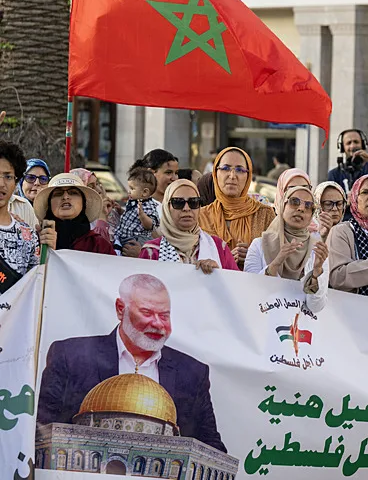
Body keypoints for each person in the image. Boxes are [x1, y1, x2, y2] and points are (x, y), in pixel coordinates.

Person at [37, 273, 227, 452]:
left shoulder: (192, 373)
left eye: (164, 316)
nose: (158, 324)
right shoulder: (71, 356)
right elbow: (42, 430)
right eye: (147, 312)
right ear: (121, 309)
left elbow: (210, 445)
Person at [244, 186, 329, 313]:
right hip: (262, 323)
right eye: (294, 202)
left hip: (298, 327)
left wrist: (316, 274)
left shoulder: (316, 251)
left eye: (308, 205)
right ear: (283, 206)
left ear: (312, 214)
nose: (300, 208)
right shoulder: (259, 245)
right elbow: (250, 292)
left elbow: (316, 307)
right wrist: (276, 262)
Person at [199, 147, 276, 269]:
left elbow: (276, 259)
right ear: (215, 173)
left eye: (240, 170)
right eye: (225, 168)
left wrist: (254, 256)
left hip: (254, 285)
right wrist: (225, 259)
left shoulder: (265, 214)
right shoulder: (200, 216)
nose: (232, 175)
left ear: (248, 175)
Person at [139, 179, 238, 272]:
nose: (186, 208)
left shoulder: (219, 247)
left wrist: (219, 273)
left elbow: (235, 286)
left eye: (193, 202)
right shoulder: (151, 251)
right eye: (178, 203)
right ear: (167, 208)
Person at [35, 173, 116, 256]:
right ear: (49, 204)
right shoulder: (35, 240)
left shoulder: (99, 245)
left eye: (73, 193)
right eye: (58, 194)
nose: (65, 197)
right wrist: (44, 251)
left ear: (83, 203)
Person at [121, 149, 179, 257]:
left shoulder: (181, 205)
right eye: (168, 172)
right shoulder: (138, 208)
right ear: (151, 173)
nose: (174, 178)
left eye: (176, 173)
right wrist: (144, 253)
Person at [0, 141, 40, 293]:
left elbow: (35, 285)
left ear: (16, 182)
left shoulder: (27, 234)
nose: (1, 183)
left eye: (8, 176)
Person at [115, 167, 160, 252]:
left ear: (145, 192)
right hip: (125, 236)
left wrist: (142, 215)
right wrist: (121, 211)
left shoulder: (148, 206)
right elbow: (131, 217)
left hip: (137, 239)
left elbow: (150, 225)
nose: (129, 191)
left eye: (132, 188)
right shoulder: (133, 201)